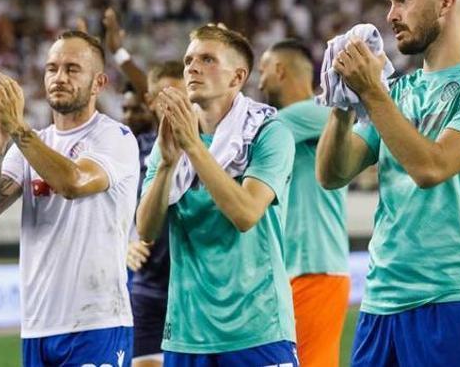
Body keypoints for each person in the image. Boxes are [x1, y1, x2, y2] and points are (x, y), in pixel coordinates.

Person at [315, 0, 460, 367]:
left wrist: (372, 93)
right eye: (390, 2)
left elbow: (433, 167)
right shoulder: (399, 91)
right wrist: (343, 104)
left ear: (446, 3)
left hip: (453, 299)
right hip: (380, 304)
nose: (391, 15)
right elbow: (332, 174)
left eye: (403, 0)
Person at [0, 30, 140, 367]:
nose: (59, 77)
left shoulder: (114, 138)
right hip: (37, 325)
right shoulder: (34, 143)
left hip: (97, 323)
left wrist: (18, 130)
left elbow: (72, 183)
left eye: (72, 69)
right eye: (52, 68)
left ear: (98, 83)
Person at [135, 24, 298, 365]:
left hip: (257, 327)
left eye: (207, 59)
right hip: (186, 334)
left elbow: (246, 214)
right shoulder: (171, 138)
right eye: (189, 59)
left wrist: (193, 147)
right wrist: (166, 165)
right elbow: (147, 230)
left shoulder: (269, 132)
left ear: (237, 78)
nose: (192, 67)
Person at [259, 39, 347, 367]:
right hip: (294, 270)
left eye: (263, 70)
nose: (260, 80)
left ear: (280, 70)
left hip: (314, 269)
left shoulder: (311, 114)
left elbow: (249, 133)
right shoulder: (294, 122)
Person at [124, 61, 185, 367]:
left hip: (195, 289)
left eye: (181, 95)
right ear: (151, 101)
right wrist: (125, 243)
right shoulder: (134, 151)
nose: (174, 103)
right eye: (165, 96)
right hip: (148, 287)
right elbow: (111, 210)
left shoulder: (218, 145)